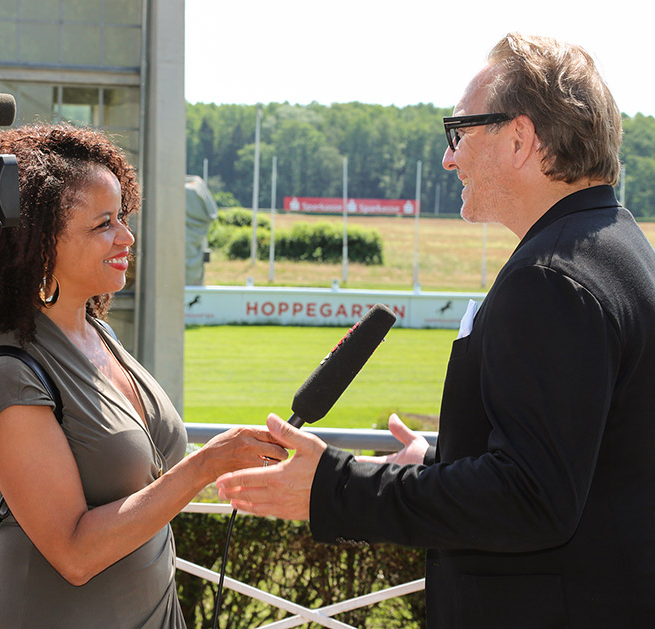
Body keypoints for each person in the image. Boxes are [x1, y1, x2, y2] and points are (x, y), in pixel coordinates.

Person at [216, 32, 655, 628]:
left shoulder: (550, 277)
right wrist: (443, 460)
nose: (449, 158)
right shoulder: (619, 247)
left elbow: (531, 498)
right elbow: (582, 456)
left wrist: (333, 487)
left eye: (459, 132)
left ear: (520, 139)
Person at [0, 122, 286, 628]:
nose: (126, 237)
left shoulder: (97, 333)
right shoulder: (7, 373)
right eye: (103, 224)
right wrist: (204, 467)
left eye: (123, 217)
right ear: (38, 244)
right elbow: (73, 554)